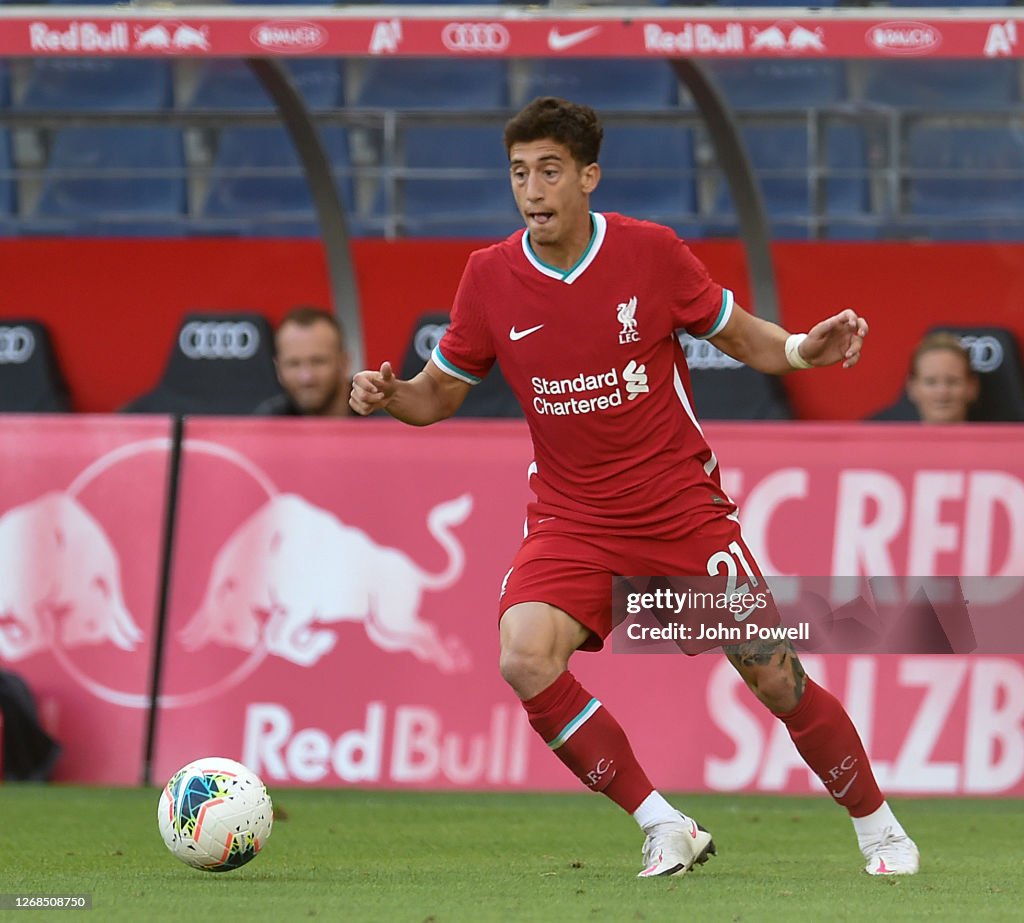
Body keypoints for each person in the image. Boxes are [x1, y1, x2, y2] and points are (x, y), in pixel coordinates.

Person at [350, 97, 919, 879]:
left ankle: (880, 828)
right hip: (572, 516)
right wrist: (391, 397)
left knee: (775, 675)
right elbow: (436, 394)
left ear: (588, 176)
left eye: (549, 170)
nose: (532, 189)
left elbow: (742, 336)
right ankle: (663, 822)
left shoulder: (649, 253)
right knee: (524, 657)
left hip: (679, 509)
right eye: (519, 173)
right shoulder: (489, 276)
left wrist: (801, 347)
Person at [254, 306, 352, 417]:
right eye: (293, 364)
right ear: (278, 368)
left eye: (318, 362)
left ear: (344, 363)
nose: (306, 378)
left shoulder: (374, 417)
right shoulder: (268, 422)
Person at [905, 332, 978, 424]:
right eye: (931, 382)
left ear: (972, 387)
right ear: (912, 388)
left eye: (952, 381)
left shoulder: (992, 439)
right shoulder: (885, 438)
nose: (942, 392)